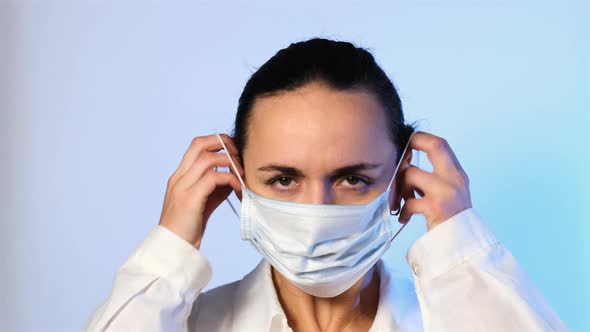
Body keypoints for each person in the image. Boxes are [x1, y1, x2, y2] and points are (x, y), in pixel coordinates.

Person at [85, 38, 567, 332]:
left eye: (353, 178)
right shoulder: (186, 325)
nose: (317, 210)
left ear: (403, 179)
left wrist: (460, 247)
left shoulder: (451, 321)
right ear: (237, 178)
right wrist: (170, 247)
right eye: (283, 179)